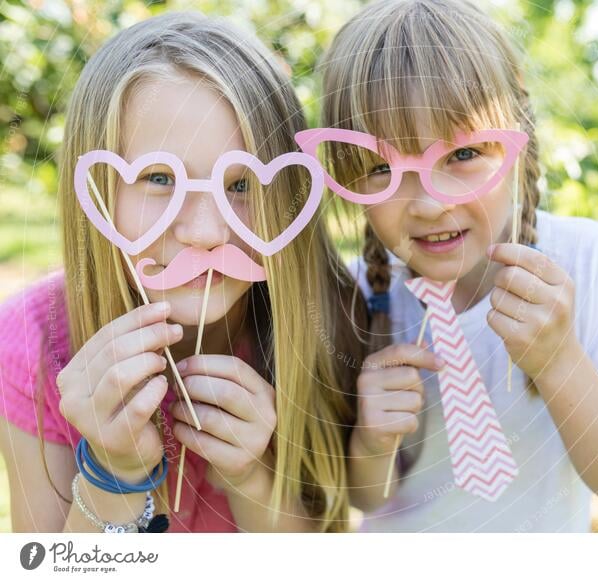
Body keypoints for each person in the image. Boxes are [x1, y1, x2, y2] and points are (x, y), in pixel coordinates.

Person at [312, 0, 598, 531]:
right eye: (380, 166)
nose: (430, 203)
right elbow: (364, 500)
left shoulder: (587, 261)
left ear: (517, 141)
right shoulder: (354, 294)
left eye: (462, 155)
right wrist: (371, 442)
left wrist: (559, 362)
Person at [0, 12, 366, 533]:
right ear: (98, 191)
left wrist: (252, 481)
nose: (204, 232)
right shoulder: (33, 342)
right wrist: (114, 471)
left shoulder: (322, 322)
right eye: (158, 178)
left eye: (241, 185)